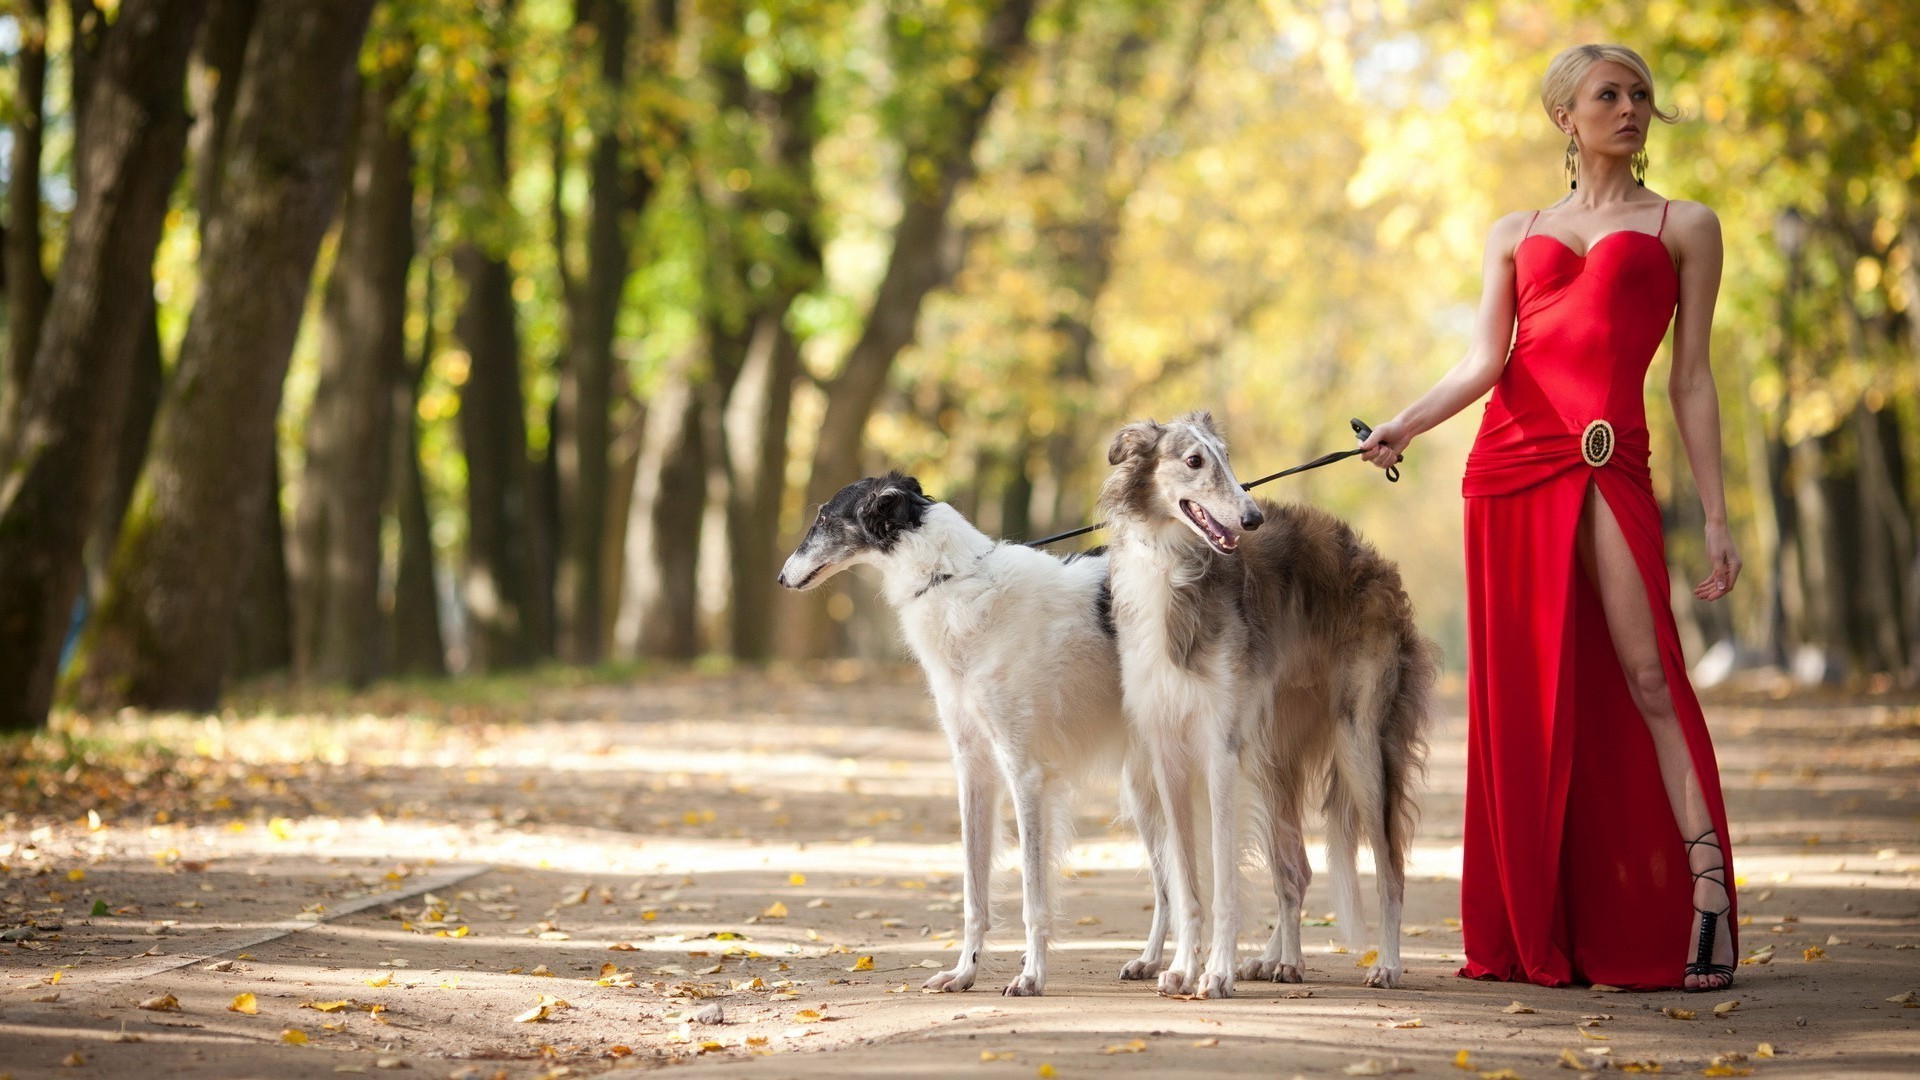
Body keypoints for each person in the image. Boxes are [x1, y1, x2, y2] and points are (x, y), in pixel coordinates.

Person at [1357, 44, 1741, 992]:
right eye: (1609, 95)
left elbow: (1691, 379)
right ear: (1565, 116)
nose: (1632, 108)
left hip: (1610, 461)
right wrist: (1404, 423)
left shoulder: (1683, 225)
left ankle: (1708, 894)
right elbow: (1487, 359)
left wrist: (1721, 516)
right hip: (1508, 467)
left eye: (1642, 94)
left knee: (1648, 671)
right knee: (1523, 699)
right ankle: (1539, 921)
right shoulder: (1514, 229)